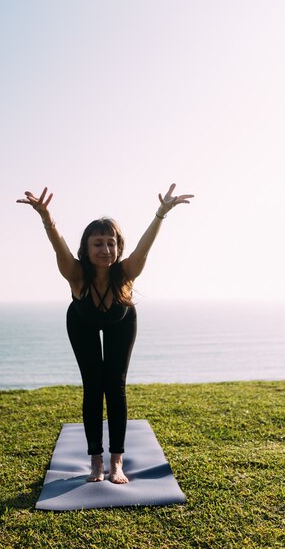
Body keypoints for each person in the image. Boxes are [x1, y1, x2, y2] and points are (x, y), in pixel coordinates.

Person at [17, 183, 194, 484]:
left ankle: (117, 462)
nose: (105, 249)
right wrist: (46, 217)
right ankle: (96, 461)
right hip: (81, 321)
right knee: (93, 385)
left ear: (118, 246)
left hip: (121, 321)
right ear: (86, 248)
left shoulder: (125, 273)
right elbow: (57, 245)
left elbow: (144, 247)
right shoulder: (75, 274)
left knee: (115, 385)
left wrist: (161, 213)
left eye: (111, 243)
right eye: (97, 243)